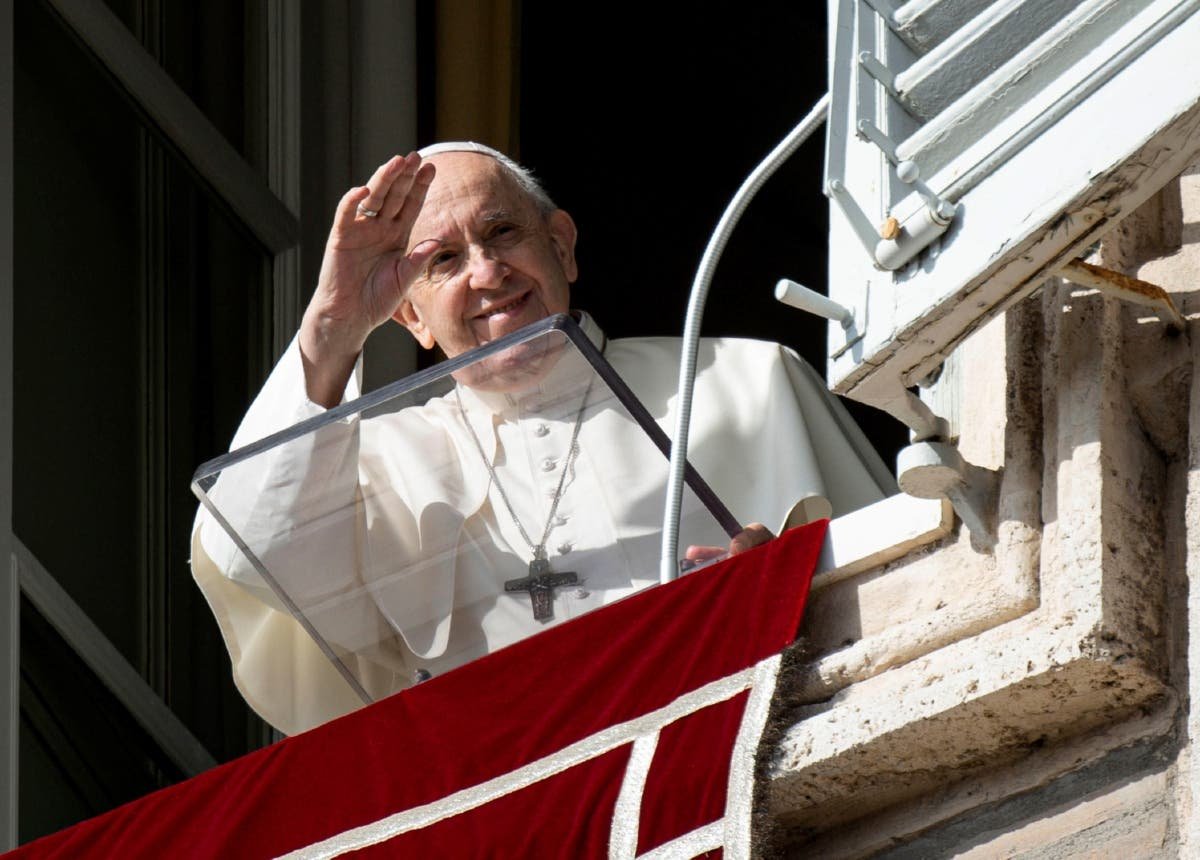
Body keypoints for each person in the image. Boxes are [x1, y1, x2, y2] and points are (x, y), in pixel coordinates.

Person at [191, 142, 894, 736]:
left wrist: (793, 588)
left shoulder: (748, 382)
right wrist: (333, 326)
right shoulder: (372, 460)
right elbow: (252, 548)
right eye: (443, 261)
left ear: (561, 245)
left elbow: (902, 591)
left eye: (502, 232)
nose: (487, 272)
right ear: (412, 318)